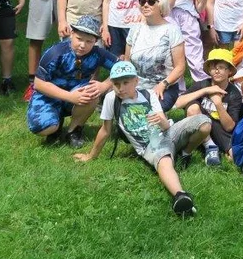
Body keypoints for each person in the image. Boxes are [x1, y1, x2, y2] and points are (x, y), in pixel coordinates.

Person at [76, 61, 210, 218]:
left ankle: (185, 153)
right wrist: (91, 156)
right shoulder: (111, 99)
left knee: (204, 123)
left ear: (136, 81)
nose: (121, 88)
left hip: (168, 132)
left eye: (126, 83)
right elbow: (105, 130)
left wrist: (161, 121)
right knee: (164, 161)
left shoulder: (148, 94)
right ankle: (180, 196)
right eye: (116, 84)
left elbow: (166, 126)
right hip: (150, 144)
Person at [27, 15, 113, 148]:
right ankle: (55, 125)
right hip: (49, 97)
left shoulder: (98, 54)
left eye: (89, 41)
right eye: (79, 39)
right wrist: (70, 97)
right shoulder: (56, 52)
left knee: (92, 92)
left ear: (95, 41)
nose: (83, 45)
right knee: (42, 127)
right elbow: (38, 84)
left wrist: (105, 85)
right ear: (72, 34)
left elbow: (124, 68)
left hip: (77, 95)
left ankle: (74, 131)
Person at [174, 48, 243, 166]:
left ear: (229, 71)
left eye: (221, 67)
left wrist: (218, 103)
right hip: (200, 125)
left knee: (235, 158)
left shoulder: (234, 93)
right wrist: (205, 90)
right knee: (193, 108)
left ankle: (212, 146)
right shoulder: (203, 84)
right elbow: (178, 103)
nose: (216, 71)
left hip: (219, 129)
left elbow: (230, 127)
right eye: (213, 67)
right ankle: (210, 146)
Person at [124, 0, 186, 112]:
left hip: (164, 87)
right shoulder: (135, 29)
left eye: (151, 2)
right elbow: (127, 61)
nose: (145, 5)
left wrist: (163, 84)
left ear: (161, 5)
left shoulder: (172, 30)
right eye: (142, 2)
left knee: (150, 116)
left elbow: (180, 67)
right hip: (136, 86)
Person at [163, 0, 207, 86]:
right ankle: (178, 89)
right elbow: (167, 7)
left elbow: (199, 8)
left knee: (194, 54)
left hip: (189, 18)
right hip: (170, 18)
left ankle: (202, 84)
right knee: (172, 55)